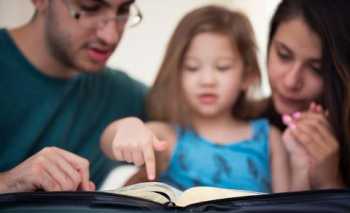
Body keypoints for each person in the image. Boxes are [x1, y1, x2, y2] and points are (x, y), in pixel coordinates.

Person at [101, 5, 289, 193]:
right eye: (192, 68)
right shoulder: (166, 137)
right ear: (177, 75)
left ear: (247, 76)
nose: (207, 81)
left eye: (222, 67)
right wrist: (128, 127)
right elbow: (108, 142)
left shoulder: (270, 139)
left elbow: (288, 204)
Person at [0, 0, 147, 193]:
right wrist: (8, 183)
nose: (110, 37)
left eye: (123, 10)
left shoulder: (126, 94)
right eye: (90, 8)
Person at [263, 0, 350, 190]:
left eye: (316, 69)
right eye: (284, 55)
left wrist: (329, 182)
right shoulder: (243, 120)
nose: (291, 82)